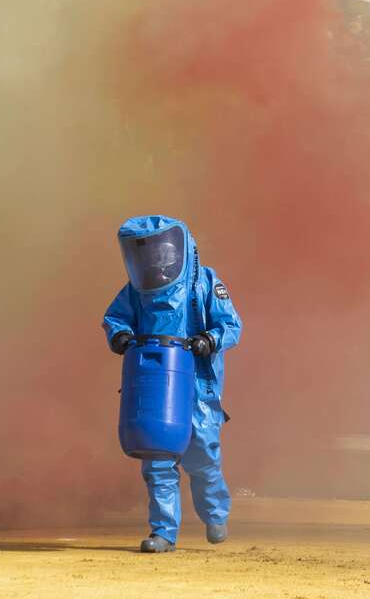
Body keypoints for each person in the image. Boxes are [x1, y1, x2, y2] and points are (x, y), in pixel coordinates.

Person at [102, 215, 242, 553]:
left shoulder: (206, 283)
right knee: (158, 455)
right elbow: (115, 317)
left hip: (197, 386)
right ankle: (164, 532)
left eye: (163, 253)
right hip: (154, 383)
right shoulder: (136, 290)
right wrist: (120, 335)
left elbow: (232, 325)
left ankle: (215, 512)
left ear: (181, 249)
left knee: (202, 457)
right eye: (148, 255)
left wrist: (210, 339)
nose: (157, 262)